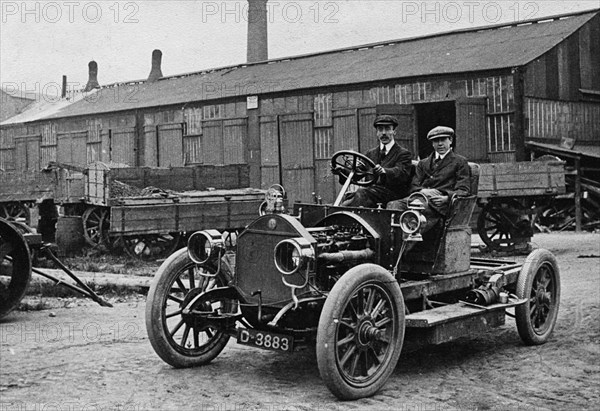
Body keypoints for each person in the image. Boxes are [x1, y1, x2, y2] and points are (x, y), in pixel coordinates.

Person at [390, 125, 471, 233]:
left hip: (438, 205)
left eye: (443, 140)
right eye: (436, 141)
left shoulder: (460, 162)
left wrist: (447, 198)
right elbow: (414, 185)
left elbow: (463, 189)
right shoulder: (423, 163)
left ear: (450, 140)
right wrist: (423, 190)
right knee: (392, 206)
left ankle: (407, 247)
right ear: (432, 143)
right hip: (419, 198)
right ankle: (392, 243)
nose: (440, 144)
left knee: (414, 213)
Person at [340, 114, 412, 208]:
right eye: (380, 129)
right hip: (370, 194)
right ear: (377, 133)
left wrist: (384, 171)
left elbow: (401, 173)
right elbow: (357, 173)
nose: (383, 133)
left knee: (361, 193)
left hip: (392, 195)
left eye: (387, 129)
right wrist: (341, 171)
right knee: (345, 202)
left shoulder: (403, 153)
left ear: (394, 132)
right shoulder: (370, 154)